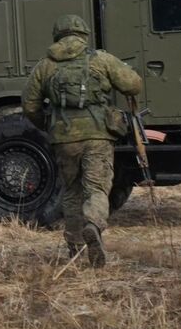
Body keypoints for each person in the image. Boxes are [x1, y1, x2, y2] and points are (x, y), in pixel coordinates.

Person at [21, 14, 143, 265]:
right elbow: (134, 85)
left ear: (57, 36)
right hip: (97, 135)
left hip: (64, 138)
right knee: (96, 188)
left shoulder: (45, 65)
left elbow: (29, 105)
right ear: (84, 35)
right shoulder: (100, 59)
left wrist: (49, 124)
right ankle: (94, 225)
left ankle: (74, 246)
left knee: (72, 190)